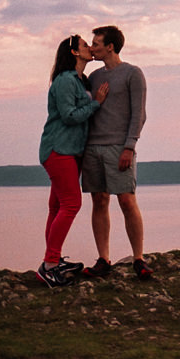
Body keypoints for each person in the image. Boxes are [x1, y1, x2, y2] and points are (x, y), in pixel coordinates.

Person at [80, 25, 151, 280]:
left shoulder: (133, 74)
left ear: (110, 46)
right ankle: (103, 259)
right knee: (99, 200)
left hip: (118, 147)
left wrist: (129, 147)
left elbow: (139, 114)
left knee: (126, 200)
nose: (92, 47)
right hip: (92, 147)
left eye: (96, 43)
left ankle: (139, 259)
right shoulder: (94, 77)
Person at [37, 34, 108, 288]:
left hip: (70, 151)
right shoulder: (66, 81)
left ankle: (51, 261)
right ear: (75, 53)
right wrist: (96, 104)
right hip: (59, 150)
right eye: (84, 46)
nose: (90, 48)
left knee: (57, 208)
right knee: (71, 204)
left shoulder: (80, 81)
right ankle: (50, 265)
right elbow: (68, 116)